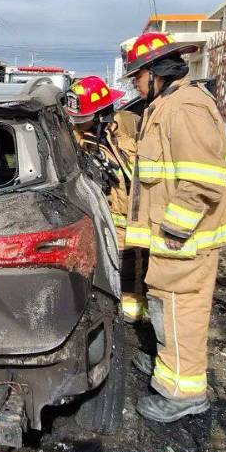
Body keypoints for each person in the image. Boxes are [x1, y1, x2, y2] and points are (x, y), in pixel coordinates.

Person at [121, 31, 226, 423]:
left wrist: (176, 229)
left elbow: (203, 178)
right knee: (166, 306)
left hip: (185, 239)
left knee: (181, 311)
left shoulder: (185, 108)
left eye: (138, 76)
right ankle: (168, 367)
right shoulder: (166, 106)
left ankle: (184, 392)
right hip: (174, 238)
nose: (134, 84)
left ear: (157, 71)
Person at [65, 75, 145, 323]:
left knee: (134, 265)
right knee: (117, 261)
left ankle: (134, 313)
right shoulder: (78, 135)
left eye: (84, 119)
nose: (79, 125)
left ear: (102, 113)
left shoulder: (132, 127)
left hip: (137, 213)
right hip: (110, 215)